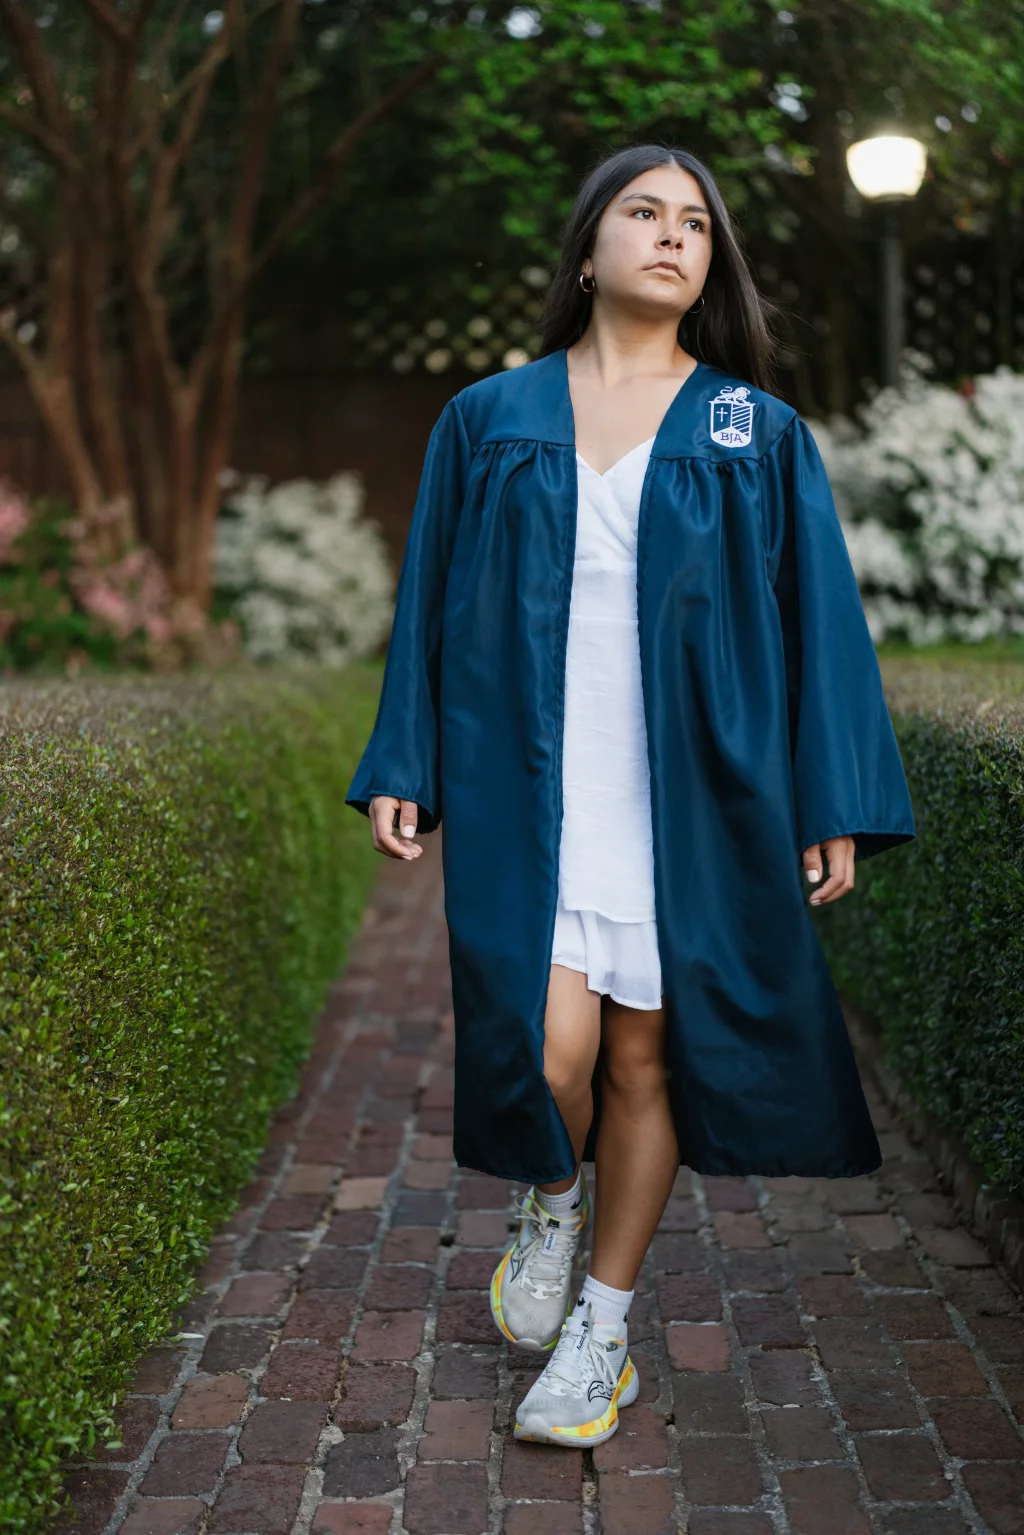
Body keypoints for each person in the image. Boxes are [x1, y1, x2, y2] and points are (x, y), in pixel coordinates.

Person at [345, 144, 915, 1449]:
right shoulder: (491, 418)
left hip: (692, 802)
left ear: (712, 263)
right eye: (643, 212)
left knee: (646, 1055)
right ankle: (552, 1190)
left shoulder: (752, 433)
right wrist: (406, 759)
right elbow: (426, 598)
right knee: (547, 1054)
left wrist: (828, 795)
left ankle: (601, 1328)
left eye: (696, 223)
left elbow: (819, 628)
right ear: (589, 245)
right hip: (529, 784)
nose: (672, 236)